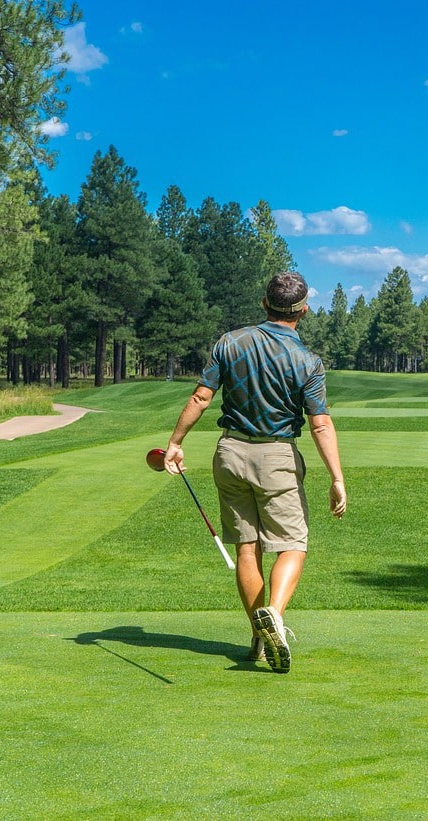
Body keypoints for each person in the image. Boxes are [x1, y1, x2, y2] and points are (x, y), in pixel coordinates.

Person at [163, 271, 346, 674]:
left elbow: (201, 396)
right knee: (293, 544)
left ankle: (260, 637)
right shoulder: (309, 362)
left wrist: (175, 442)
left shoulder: (230, 342)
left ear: (264, 303)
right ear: (304, 309)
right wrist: (336, 478)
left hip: (229, 453)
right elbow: (319, 424)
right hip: (276, 456)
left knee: (248, 547)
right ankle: (275, 617)